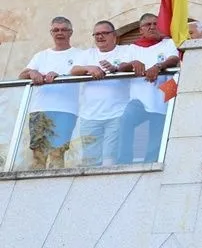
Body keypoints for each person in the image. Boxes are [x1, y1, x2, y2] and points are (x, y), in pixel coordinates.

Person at [18, 16, 81, 169]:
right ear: (51, 33)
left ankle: (55, 190)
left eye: (63, 29)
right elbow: (22, 75)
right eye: (56, 30)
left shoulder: (80, 54)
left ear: (70, 32)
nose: (59, 33)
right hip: (39, 110)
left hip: (65, 110)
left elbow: (82, 71)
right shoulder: (41, 55)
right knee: (38, 155)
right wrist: (33, 73)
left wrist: (61, 76)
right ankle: (36, 190)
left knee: (57, 154)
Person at [70, 21, 134, 166]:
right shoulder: (87, 54)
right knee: (90, 162)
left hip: (117, 114)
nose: (100, 37)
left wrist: (116, 68)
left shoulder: (126, 51)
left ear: (114, 35)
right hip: (89, 116)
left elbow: (132, 65)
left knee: (110, 161)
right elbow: (73, 71)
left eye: (104, 33)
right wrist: (89, 68)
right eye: (96, 34)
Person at [118, 13, 180, 163]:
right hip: (138, 100)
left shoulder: (168, 43)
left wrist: (159, 66)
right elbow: (121, 67)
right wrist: (133, 63)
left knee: (155, 143)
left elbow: (174, 58)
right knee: (125, 121)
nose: (152, 27)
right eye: (148, 25)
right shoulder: (133, 47)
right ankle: (124, 162)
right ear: (140, 30)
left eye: (155, 24)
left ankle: (150, 169)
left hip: (162, 99)